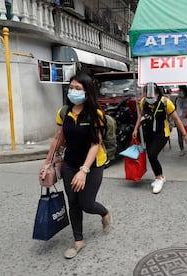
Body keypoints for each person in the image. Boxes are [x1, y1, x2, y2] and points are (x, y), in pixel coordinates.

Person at [40, 73, 112, 259]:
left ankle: (104, 212)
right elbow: (57, 138)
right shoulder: (64, 112)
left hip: (93, 165)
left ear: (87, 92)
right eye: (71, 87)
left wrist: (84, 170)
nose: (73, 91)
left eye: (78, 88)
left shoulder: (96, 114)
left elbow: (96, 144)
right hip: (70, 164)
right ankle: (78, 240)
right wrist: (47, 163)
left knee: (86, 204)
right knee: (73, 203)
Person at [132, 82, 187, 194]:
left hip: (162, 134)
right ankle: (159, 176)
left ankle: (159, 178)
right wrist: (135, 129)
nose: (149, 98)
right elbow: (141, 115)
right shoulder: (143, 102)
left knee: (153, 154)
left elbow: (177, 119)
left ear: (158, 93)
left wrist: (184, 134)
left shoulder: (166, 103)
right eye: (147, 95)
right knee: (151, 156)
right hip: (149, 133)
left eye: (152, 95)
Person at [174, 85, 187, 156]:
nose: (179, 92)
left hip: (185, 118)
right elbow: (174, 108)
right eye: (179, 90)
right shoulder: (177, 99)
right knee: (179, 134)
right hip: (178, 118)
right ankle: (182, 149)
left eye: (181, 90)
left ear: (184, 91)